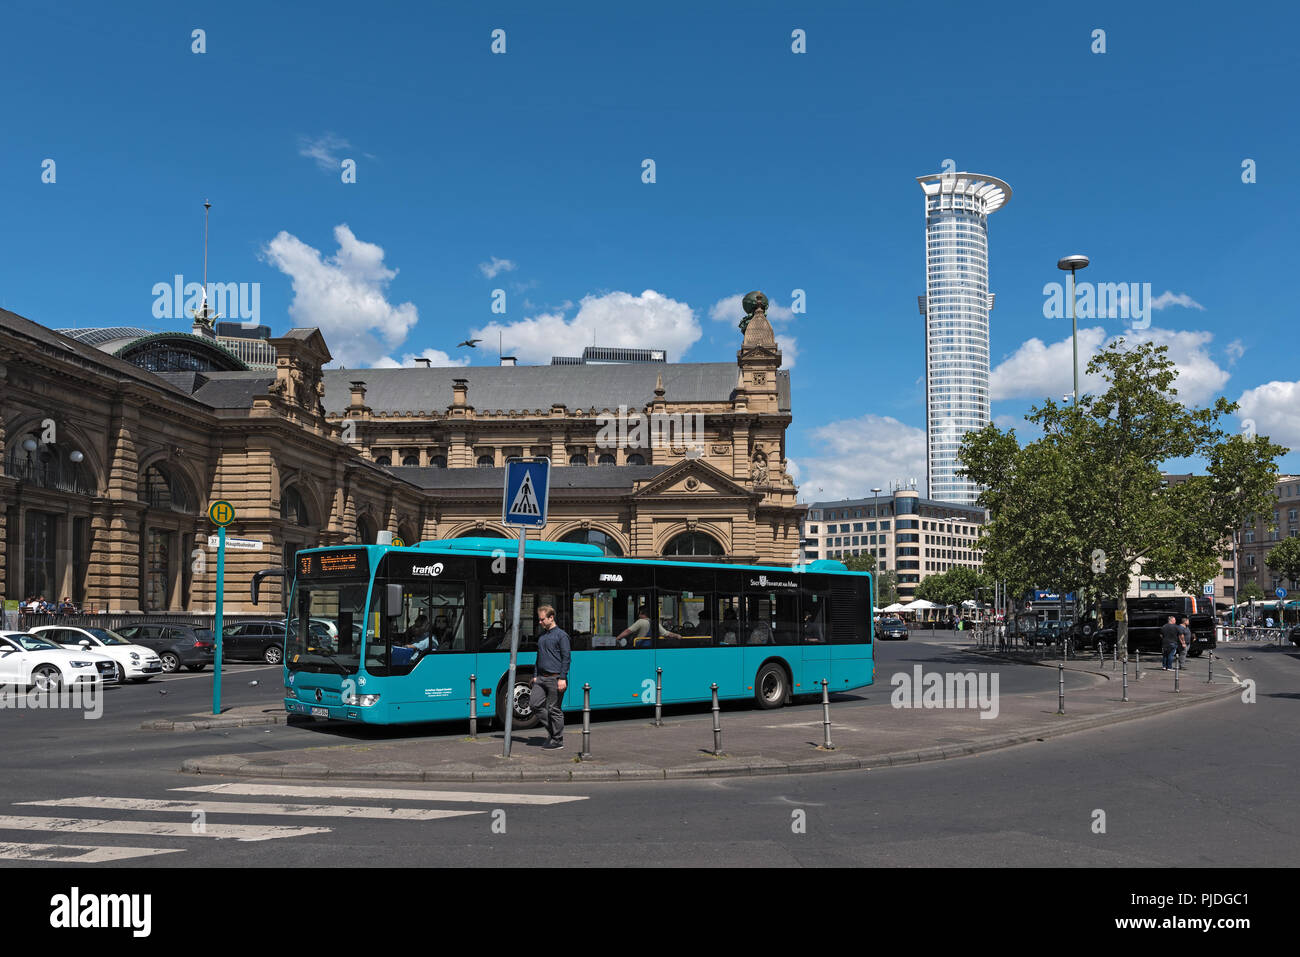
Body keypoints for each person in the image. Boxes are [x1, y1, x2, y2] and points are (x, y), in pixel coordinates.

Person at [531, 604, 570, 751]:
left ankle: (557, 740)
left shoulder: (561, 636)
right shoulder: (542, 637)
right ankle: (554, 733)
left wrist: (562, 678)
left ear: (551, 618)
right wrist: (535, 676)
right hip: (541, 677)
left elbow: (566, 658)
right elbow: (538, 658)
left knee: (554, 709)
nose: (540, 622)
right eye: (539, 620)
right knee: (534, 704)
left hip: (555, 678)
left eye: (542, 620)